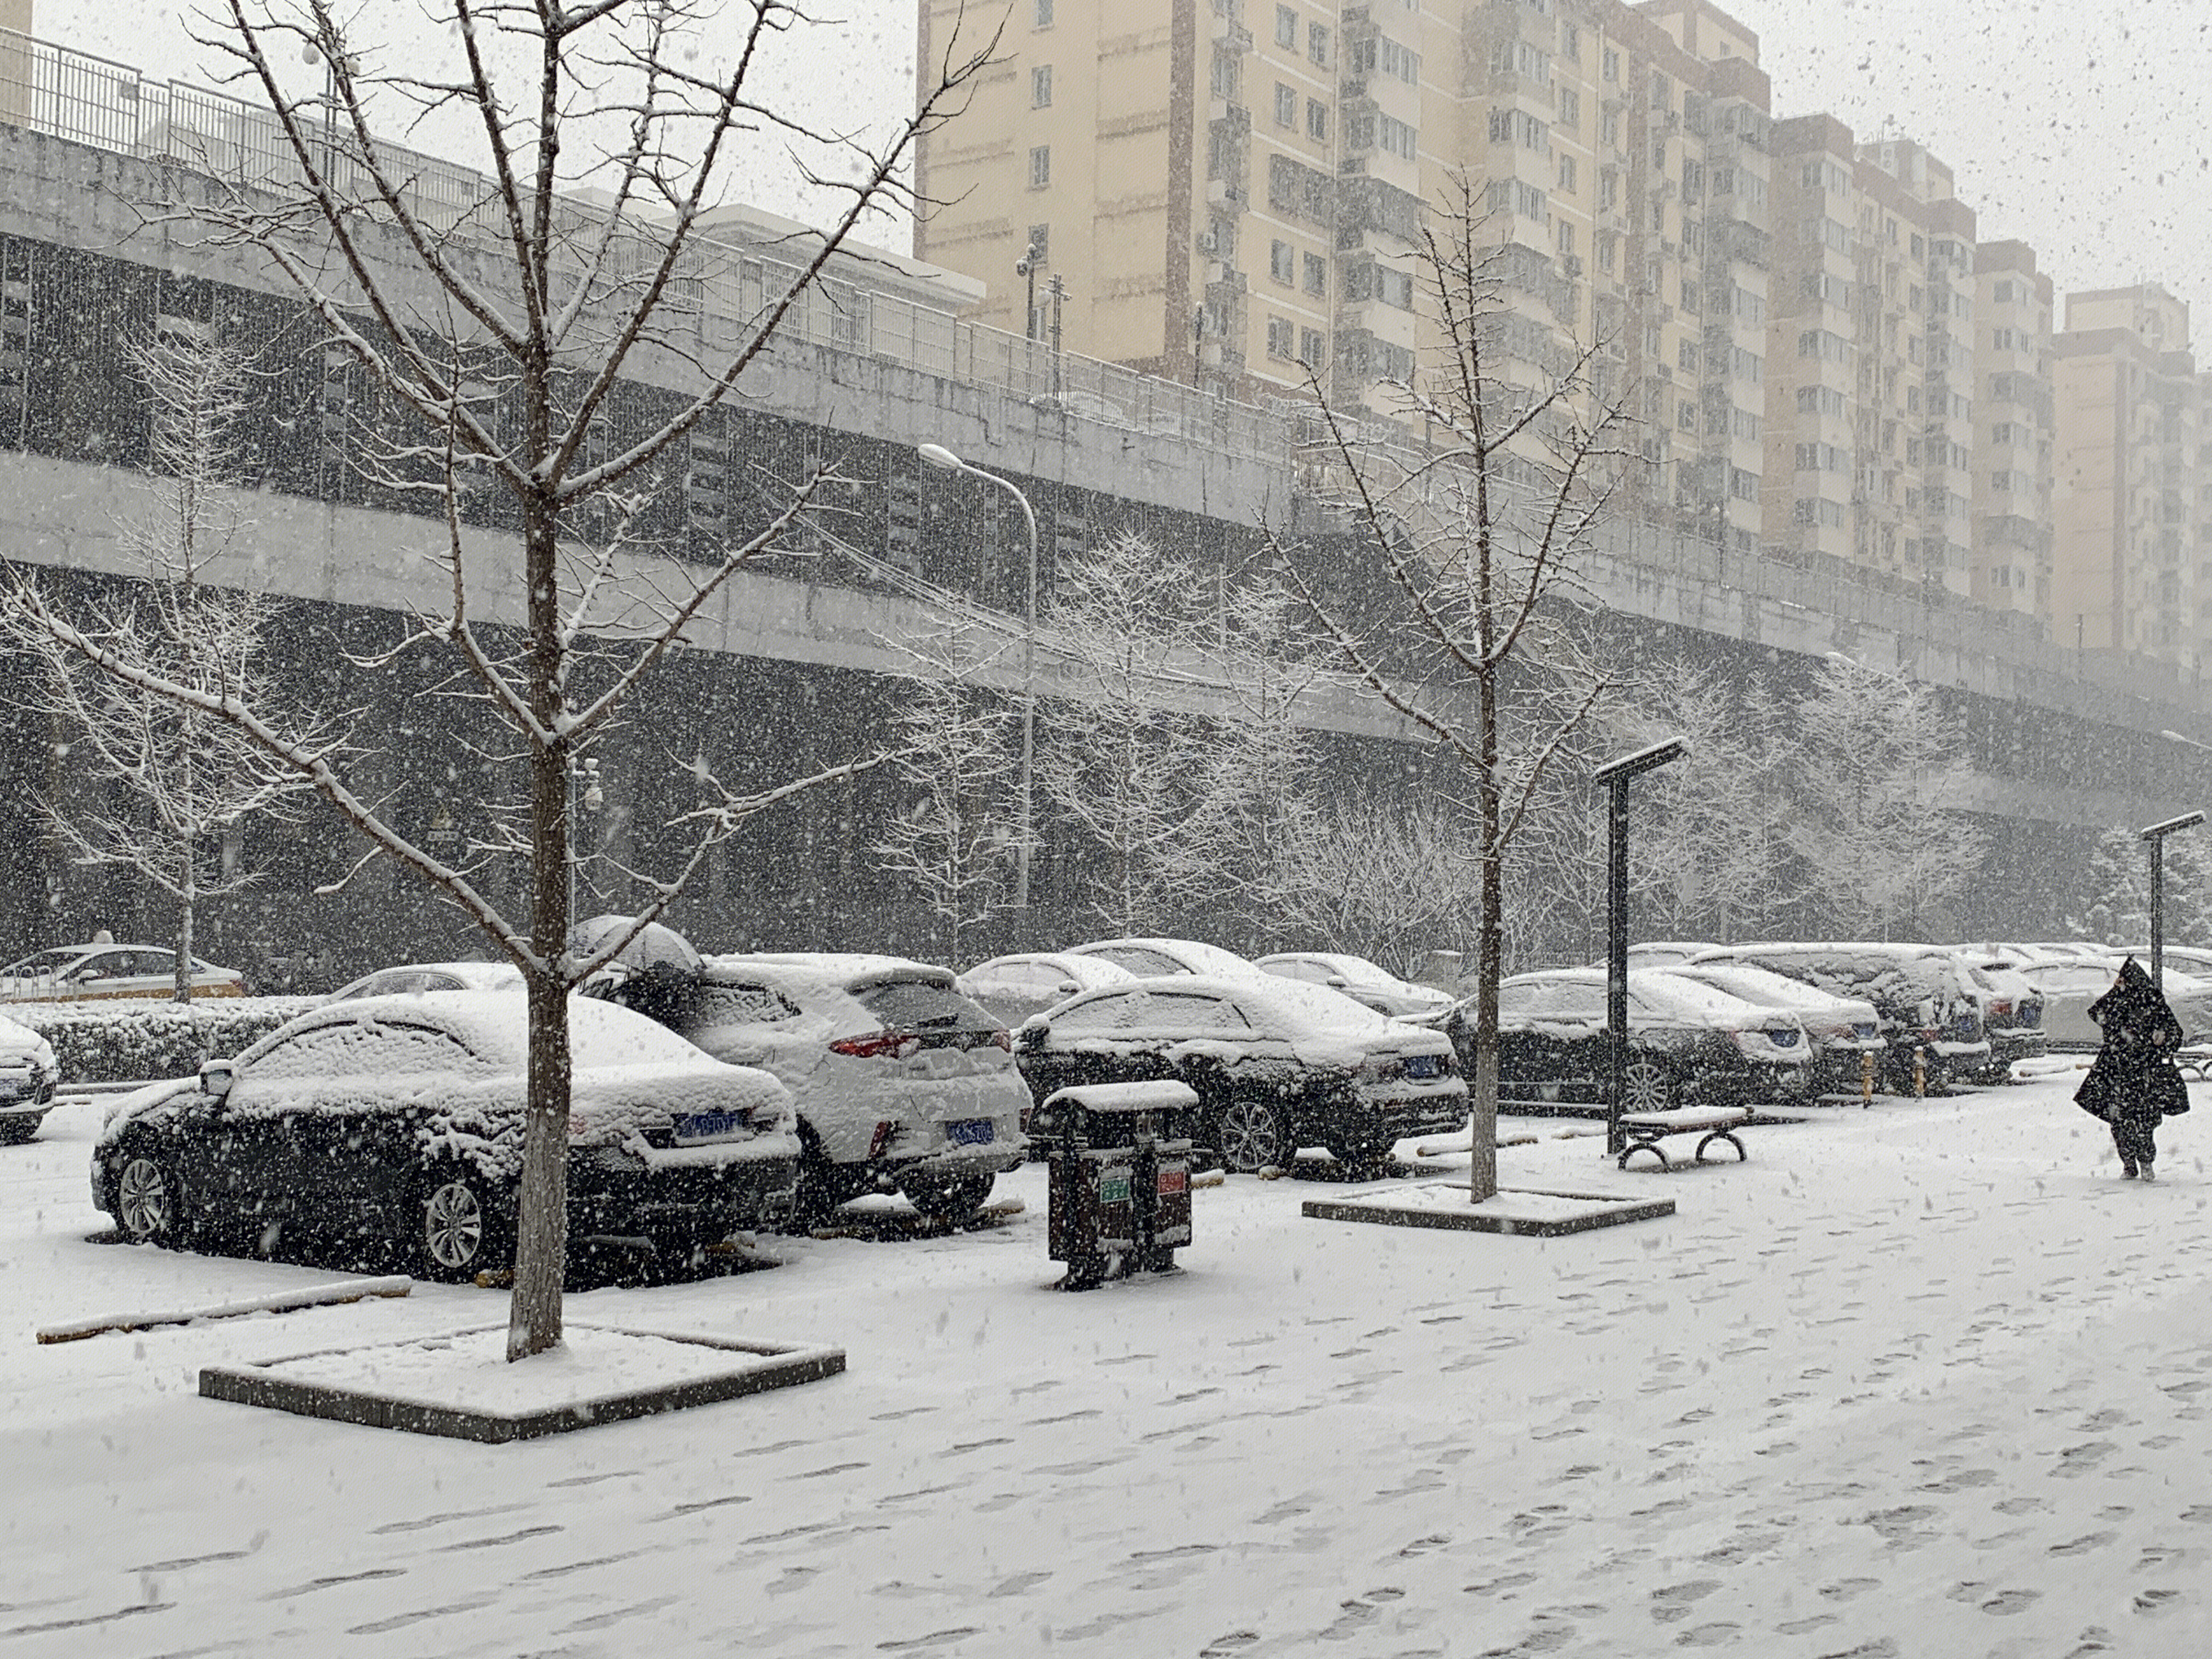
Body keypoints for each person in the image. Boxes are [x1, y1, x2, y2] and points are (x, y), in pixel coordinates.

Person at [2075, 956, 2190, 1181]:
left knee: (2144, 1122)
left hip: (2145, 1071)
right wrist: (2115, 991)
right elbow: (2096, 1013)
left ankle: (2145, 1162)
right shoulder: (2117, 1000)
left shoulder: (2153, 1001)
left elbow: (2175, 1033)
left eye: (2125, 981)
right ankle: (2129, 1164)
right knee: (2119, 1123)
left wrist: (2164, 1036)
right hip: (2117, 1070)